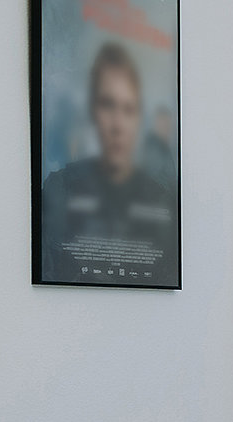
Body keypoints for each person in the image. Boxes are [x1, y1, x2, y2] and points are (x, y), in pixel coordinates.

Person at [38, 42, 179, 286]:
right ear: (93, 112)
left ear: (139, 119)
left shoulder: (162, 202)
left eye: (128, 109)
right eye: (108, 105)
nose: (118, 125)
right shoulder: (59, 189)